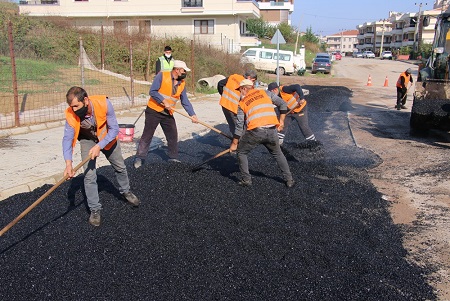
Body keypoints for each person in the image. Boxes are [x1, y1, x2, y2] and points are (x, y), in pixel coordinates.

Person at [63, 86, 140, 227]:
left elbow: (114, 129)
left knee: (120, 167)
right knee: (89, 176)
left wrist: (100, 145)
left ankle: (126, 191)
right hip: (87, 139)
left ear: (85, 100)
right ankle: (95, 209)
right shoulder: (70, 113)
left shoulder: (103, 103)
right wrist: (68, 164)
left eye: (76, 106)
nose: (74, 109)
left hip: (107, 137)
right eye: (71, 106)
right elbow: (67, 139)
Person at [229, 79, 295, 188]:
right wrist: (281, 121)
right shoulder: (265, 93)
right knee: (278, 153)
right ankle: (289, 180)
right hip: (272, 130)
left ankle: (246, 180)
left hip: (256, 132)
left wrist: (234, 143)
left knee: (241, 152)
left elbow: (240, 125)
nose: (239, 92)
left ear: (244, 88)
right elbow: (283, 104)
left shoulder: (242, 103)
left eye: (240, 90)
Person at [134, 60, 198, 168]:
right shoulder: (162, 76)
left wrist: (192, 114)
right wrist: (164, 101)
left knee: (172, 134)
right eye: (183, 71)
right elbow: (153, 91)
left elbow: (185, 100)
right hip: (154, 110)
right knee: (147, 134)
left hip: (168, 113)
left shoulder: (182, 83)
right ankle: (139, 158)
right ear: (177, 70)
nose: (185, 73)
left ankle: (173, 157)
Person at [217, 70, 258, 135]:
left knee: (232, 125)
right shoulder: (248, 85)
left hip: (224, 104)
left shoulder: (233, 77)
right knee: (239, 127)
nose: (253, 83)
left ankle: (236, 141)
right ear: (249, 77)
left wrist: (223, 95)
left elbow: (220, 83)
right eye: (253, 80)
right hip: (234, 108)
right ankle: (238, 142)